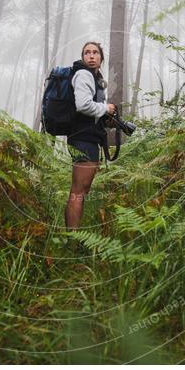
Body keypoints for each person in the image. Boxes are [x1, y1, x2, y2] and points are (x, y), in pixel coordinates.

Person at [64, 41, 116, 230]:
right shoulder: (84, 74)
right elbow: (83, 105)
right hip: (82, 138)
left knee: (81, 190)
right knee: (78, 190)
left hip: (87, 137)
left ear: (101, 58)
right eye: (87, 52)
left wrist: (107, 118)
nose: (91, 56)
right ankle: (72, 239)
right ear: (83, 57)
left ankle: (73, 235)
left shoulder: (96, 79)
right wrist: (106, 108)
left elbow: (91, 111)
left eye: (95, 52)